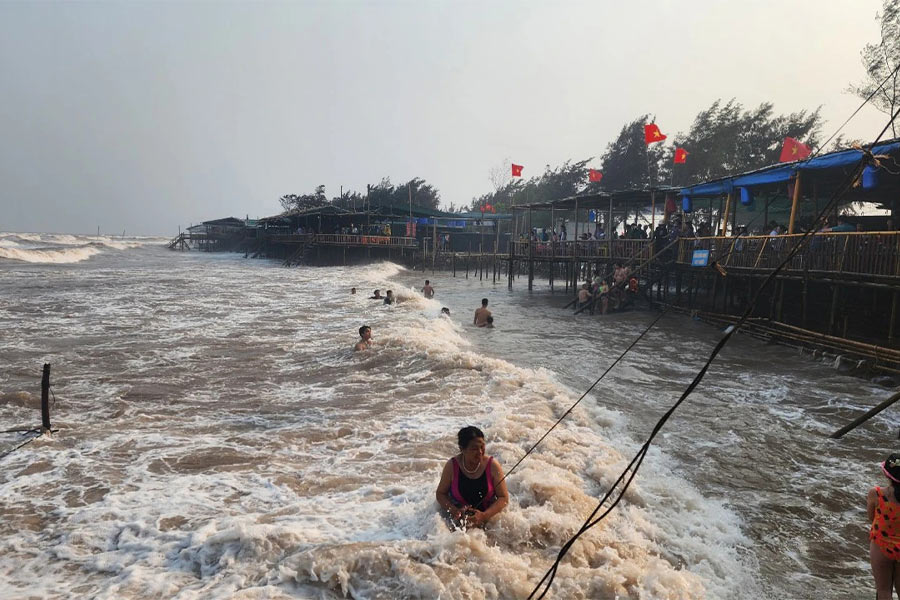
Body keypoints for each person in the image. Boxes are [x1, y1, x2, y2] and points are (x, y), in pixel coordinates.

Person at [435, 426, 509, 529]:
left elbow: (503, 498)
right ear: (462, 449)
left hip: (487, 520)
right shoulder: (452, 466)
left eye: (482, 447)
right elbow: (440, 494)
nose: (480, 452)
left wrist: (484, 516)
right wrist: (454, 510)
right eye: (474, 448)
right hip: (458, 521)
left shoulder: (492, 465)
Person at [869, 453, 900, 599]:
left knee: (883, 590)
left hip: (882, 544)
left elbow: (872, 518)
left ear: (886, 474)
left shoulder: (876, 494)